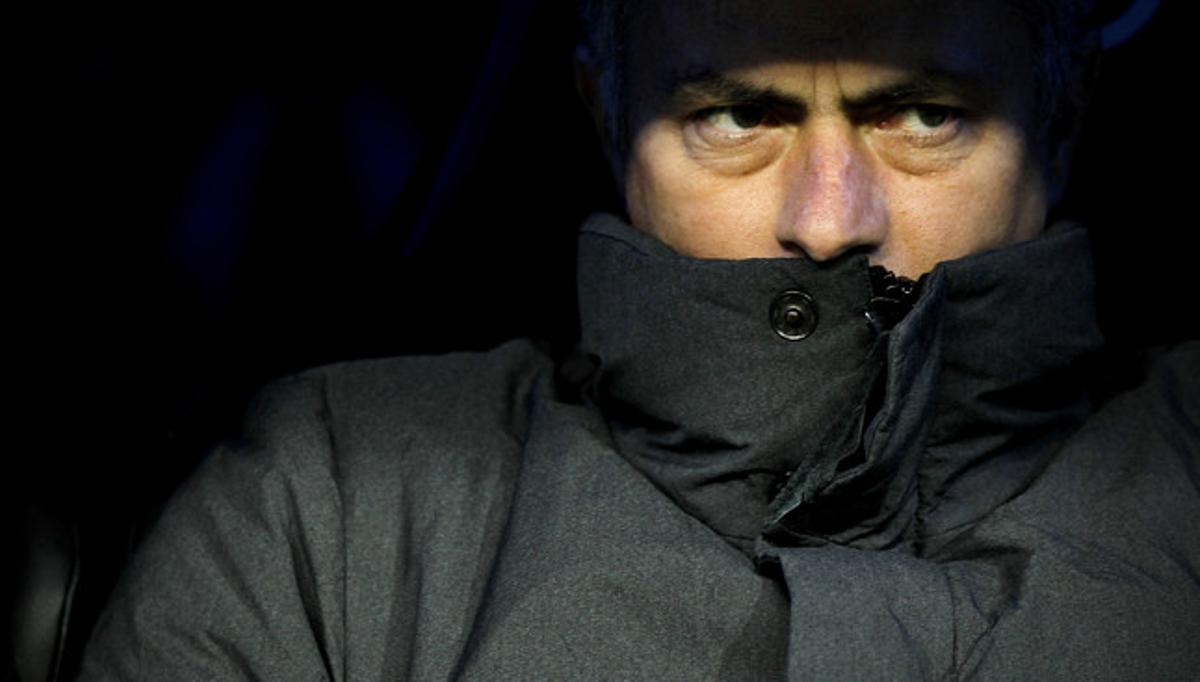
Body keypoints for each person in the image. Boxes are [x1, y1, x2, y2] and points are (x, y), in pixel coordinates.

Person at [79, 0, 1198, 679]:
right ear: (606, 119)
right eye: (738, 116)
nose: (828, 217)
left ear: (1063, 117)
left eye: (923, 116)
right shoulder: (326, 508)